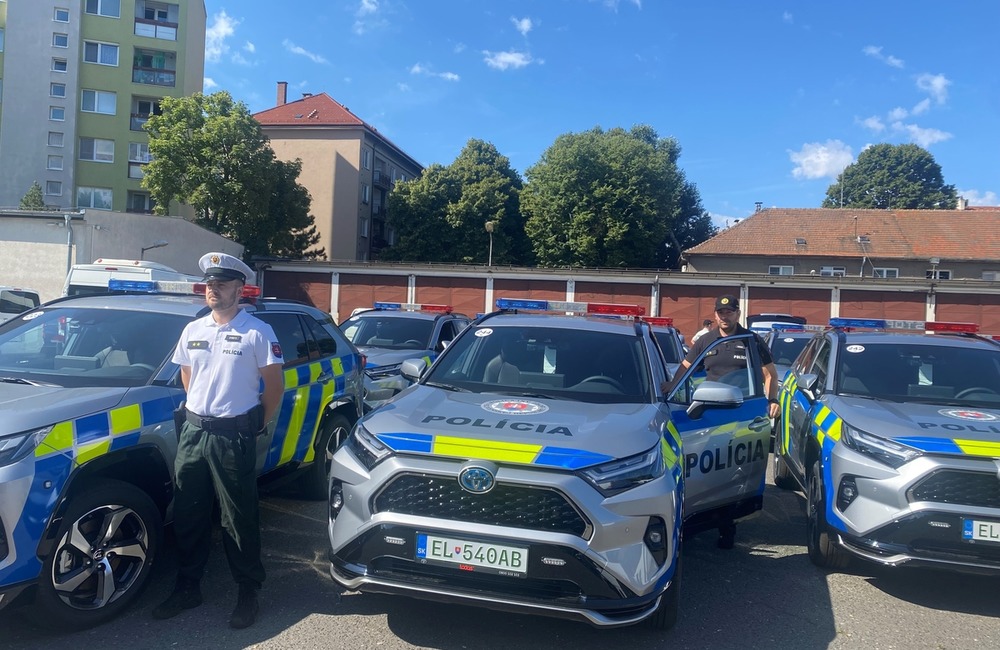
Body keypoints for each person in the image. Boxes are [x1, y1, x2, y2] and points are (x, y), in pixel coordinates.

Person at [152, 253, 284, 629]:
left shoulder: (257, 332)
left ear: (240, 290)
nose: (213, 290)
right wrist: (201, 411)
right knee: (189, 512)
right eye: (210, 284)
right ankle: (188, 586)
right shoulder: (193, 329)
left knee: (238, 516)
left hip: (232, 435)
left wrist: (255, 424)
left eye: (222, 285)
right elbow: (187, 376)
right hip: (194, 432)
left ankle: (247, 591)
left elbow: (274, 387)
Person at [675, 294, 779, 550]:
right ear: (716, 314)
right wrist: (671, 387)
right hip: (709, 415)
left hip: (741, 414)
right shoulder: (706, 340)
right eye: (721, 312)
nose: (725, 316)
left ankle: (727, 527)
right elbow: (685, 367)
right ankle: (697, 517)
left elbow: (770, 374)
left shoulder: (750, 340)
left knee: (734, 473)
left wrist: (771, 400)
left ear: (737, 313)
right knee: (709, 471)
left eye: (729, 312)